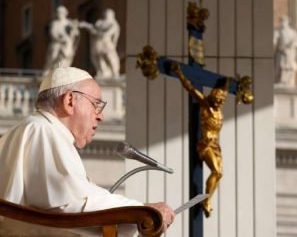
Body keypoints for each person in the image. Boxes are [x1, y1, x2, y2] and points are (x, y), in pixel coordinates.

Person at [0, 66, 174, 236]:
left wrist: (138, 210)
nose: (101, 116)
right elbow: (69, 206)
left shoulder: (35, 129)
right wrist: (142, 211)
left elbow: (71, 202)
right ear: (69, 101)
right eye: (96, 104)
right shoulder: (42, 130)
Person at [171, 63, 231, 218]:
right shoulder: (206, 105)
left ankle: (207, 199)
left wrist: (228, 82)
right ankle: (207, 201)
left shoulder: (218, 110)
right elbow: (190, 88)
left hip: (216, 145)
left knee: (219, 174)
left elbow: (225, 88)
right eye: (217, 100)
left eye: (221, 101)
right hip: (205, 144)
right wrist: (179, 73)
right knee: (216, 171)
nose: (218, 103)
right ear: (212, 97)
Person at [80, 9, 120, 78]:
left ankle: (114, 72)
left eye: (109, 14)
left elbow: (108, 34)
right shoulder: (100, 22)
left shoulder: (113, 23)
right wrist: (86, 26)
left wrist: (97, 32)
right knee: (97, 57)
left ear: (112, 15)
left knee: (109, 56)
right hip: (98, 43)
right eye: (106, 13)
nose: (107, 15)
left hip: (106, 43)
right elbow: (94, 31)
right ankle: (102, 72)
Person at [44, 6, 80, 73]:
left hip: (67, 43)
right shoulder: (55, 23)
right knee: (53, 56)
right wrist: (59, 39)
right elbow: (52, 33)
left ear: (65, 13)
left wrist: (74, 30)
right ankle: (48, 70)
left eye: (61, 12)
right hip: (56, 43)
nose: (59, 14)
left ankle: (62, 70)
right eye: (58, 13)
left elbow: (75, 33)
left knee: (66, 57)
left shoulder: (69, 23)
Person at [273, 16, 297, 87]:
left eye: (284, 21)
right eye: (281, 21)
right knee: (280, 66)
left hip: (290, 53)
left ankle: (288, 82)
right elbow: (274, 42)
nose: (282, 23)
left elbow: (296, 42)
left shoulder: (293, 32)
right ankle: (281, 81)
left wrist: (290, 47)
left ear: (288, 22)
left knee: (289, 66)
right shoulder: (278, 32)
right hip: (281, 52)